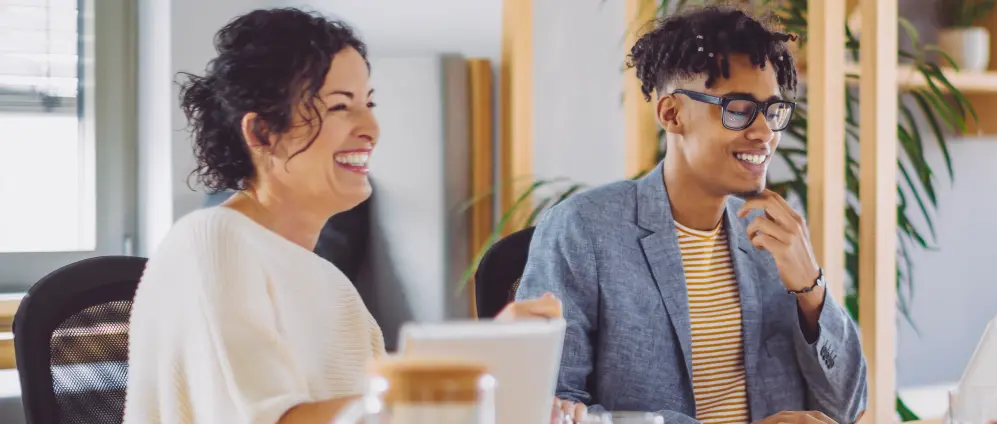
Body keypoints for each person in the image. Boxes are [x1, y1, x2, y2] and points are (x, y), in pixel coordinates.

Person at [123, 8, 560, 424]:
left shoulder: (330, 284)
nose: (371, 127)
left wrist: (509, 385)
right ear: (261, 132)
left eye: (368, 103)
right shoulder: (215, 239)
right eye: (339, 106)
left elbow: (370, 412)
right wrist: (475, 368)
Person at [515, 5, 867, 424]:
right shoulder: (583, 231)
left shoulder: (772, 239)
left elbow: (846, 407)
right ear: (672, 113)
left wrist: (812, 291)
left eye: (773, 111)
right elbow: (548, 409)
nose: (765, 133)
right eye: (739, 109)